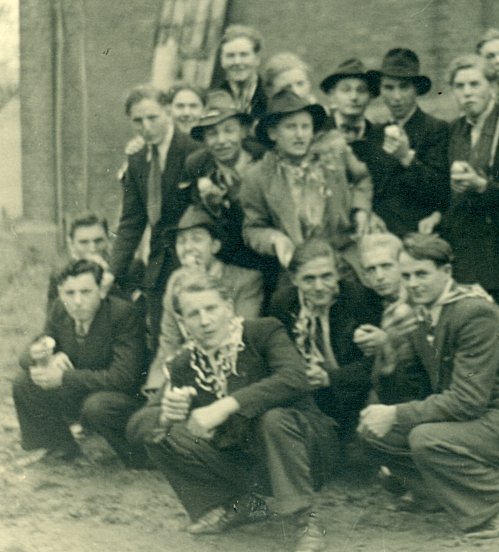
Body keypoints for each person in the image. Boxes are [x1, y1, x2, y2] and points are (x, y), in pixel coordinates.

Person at [126, 270, 335, 551]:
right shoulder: (185, 364)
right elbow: (136, 426)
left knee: (272, 419)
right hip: (250, 464)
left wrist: (225, 406)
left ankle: (305, 520)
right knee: (162, 434)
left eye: (211, 308)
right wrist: (165, 415)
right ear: (183, 323)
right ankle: (236, 505)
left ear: (228, 307)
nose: (205, 321)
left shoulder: (262, 332)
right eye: (193, 314)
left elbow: (294, 378)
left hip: (307, 454)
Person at [359, 233, 499, 539]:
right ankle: (434, 493)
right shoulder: (422, 313)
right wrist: (389, 355)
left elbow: (468, 401)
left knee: (425, 438)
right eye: (406, 276)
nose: (413, 283)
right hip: (470, 419)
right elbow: (415, 387)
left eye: (422, 274)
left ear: (446, 271)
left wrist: (396, 414)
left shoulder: (473, 313)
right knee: (372, 433)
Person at [425, 54, 499, 390]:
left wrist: (481, 186)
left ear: (494, 87)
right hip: (467, 252)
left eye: (475, 84)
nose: (467, 92)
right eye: (460, 86)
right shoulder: (455, 131)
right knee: (477, 345)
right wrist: (438, 213)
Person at [14, 260, 148, 467]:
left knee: (97, 406)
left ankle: (139, 456)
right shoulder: (59, 309)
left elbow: (124, 377)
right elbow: (31, 352)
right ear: (60, 293)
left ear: (101, 291)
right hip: (84, 389)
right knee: (25, 381)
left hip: (122, 397)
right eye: (70, 293)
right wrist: (45, 355)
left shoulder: (123, 315)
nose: (77, 301)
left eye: (86, 292)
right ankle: (59, 448)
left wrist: (64, 377)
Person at [240, 90, 374, 273]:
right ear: (273, 133)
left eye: (305, 127)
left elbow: (362, 179)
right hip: (298, 264)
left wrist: (360, 210)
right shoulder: (258, 176)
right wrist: (275, 239)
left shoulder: (333, 156)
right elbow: (253, 229)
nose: (300, 135)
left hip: (343, 253)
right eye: (291, 127)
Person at [110, 85, 202, 350]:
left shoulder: (194, 151)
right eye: (138, 121)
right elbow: (131, 222)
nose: (146, 127)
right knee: (163, 342)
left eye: (153, 117)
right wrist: (112, 272)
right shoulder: (137, 158)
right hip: (158, 265)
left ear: (168, 111)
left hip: (193, 259)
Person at [268, 239, 382, 441]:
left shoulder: (360, 299)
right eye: (309, 279)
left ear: (338, 273)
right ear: (294, 279)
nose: (319, 287)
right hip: (307, 395)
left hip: (353, 395)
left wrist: (330, 378)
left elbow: (376, 362)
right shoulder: (283, 303)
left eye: (327, 276)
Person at [144, 206, 264, 392]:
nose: (188, 248)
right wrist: (160, 387)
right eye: (182, 241)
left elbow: (240, 338)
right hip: (185, 374)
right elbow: (169, 342)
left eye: (197, 239)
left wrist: (200, 282)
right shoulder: (176, 281)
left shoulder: (246, 281)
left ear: (215, 246)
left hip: (232, 375)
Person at [185, 90, 274, 275]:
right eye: (212, 134)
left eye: (229, 130)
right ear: (204, 139)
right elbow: (200, 217)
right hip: (229, 260)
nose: (221, 141)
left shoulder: (264, 159)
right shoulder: (197, 165)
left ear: (243, 132)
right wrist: (213, 208)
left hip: (270, 253)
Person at [365, 48, 450, 237]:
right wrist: (369, 214)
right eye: (389, 88)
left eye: (404, 87)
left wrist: (406, 158)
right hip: (381, 235)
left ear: (416, 89)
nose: (396, 97)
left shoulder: (435, 129)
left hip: (420, 234)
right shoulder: (375, 133)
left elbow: (441, 191)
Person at [355, 233, 431, 405]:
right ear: (364, 276)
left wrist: (386, 344)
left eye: (386, 266)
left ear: (402, 265)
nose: (379, 276)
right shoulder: (372, 304)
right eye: (371, 269)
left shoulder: (418, 304)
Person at [319, 57, 386, 173]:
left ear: (370, 96)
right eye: (346, 90)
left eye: (361, 90)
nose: (354, 97)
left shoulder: (380, 137)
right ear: (332, 95)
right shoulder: (318, 133)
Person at [46, 212, 113, 308]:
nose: (92, 249)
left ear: (108, 240)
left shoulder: (125, 268)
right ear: (71, 244)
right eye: (84, 242)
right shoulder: (61, 273)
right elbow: (55, 313)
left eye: (98, 241)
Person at [216, 25, 268, 125]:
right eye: (230, 56)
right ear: (222, 60)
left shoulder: (271, 98)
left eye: (244, 55)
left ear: (257, 59)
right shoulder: (211, 100)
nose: (237, 61)